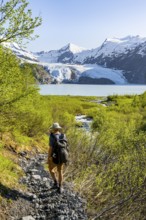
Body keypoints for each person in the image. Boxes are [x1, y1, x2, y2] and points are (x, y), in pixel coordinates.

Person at [48, 122, 67, 193]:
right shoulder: (63, 135)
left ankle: (55, 182)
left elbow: (50, 148)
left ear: (53, 129)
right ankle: (60, 187)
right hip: (62, 156)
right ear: (58, 129)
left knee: (50, 168)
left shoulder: (52, 136)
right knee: (60, 171)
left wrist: (49, 157)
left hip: (54, 156)